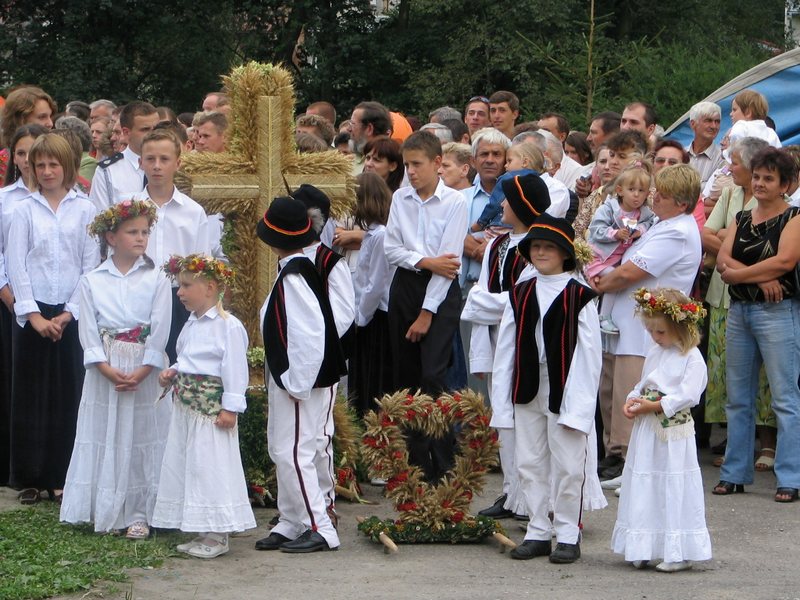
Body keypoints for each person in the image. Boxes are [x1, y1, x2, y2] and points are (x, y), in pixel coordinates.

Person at [492, 214, 602, 564]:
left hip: (565, 388)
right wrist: (501, 402)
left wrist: (579, 407)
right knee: (529, 461)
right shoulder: (520, 293)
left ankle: (568, 533)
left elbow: (589, 356)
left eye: (548, 247)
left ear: (565, 253)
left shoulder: (580, 296)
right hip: (528, 385)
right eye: (536, 246)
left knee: (569, 464)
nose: (540, 252)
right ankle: (538, 530)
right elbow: (506, 350)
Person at [60, 200, 171, 538]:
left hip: (143, 368)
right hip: (107, 368)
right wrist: (105, 368)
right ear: (111, 237)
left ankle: (141, 511)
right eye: (132, 232)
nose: (140, 238)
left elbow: (161, 325)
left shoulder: (157, 277)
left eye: (145, 232)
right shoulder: (92, 280)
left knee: (142, 435)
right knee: (107, 432)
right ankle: (107, 506)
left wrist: (145, 368)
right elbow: (88, 330)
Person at [593, 164, 703, 487]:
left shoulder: (678, 232)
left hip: (645, 331)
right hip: (620, 322)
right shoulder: (662, 223)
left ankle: (628, 463)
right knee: (610, 392)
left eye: (663, 195)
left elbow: (631, 272)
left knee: (628, 394)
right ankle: (615, 457)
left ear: (682, 203)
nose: (654, 198)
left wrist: (596, 284)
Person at [7, 134, 99, 504]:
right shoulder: (24, 210)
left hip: (70, 312)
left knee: (67, 393)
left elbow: (89, 264)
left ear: (68, 167)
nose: (46, 171)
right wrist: (32, 314)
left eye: (53, 164)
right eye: (40, 165)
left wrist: (68, 313)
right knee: (30, 393)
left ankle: (62, 475)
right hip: (33, 311)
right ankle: (29, 476)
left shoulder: (85, 209)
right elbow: (16, 264)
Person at [255, 197, 346, 553]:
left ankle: (320, 526)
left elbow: (310, 333)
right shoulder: (294, 269)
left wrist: (298, 381)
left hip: (298, 381)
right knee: (282, 449)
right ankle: (292, 519)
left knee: (295, 452)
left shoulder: (295, 274)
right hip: (290, 379)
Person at [152, 254, 255, 558]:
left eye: (186, 286)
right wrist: (173, 371)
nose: (180, 292)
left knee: (211, 467)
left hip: (211, 413)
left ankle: (218, 533)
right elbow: (187, 358)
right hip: (187, 410)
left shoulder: (228, 326)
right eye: (179, 286)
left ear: (210, 287)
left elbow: (235, 370)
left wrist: (230, 408)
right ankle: (202, 527)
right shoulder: (191, 324)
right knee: (192, 466)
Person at [462, 173, 550, 520]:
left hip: (525, 342)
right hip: (498, 340)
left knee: (525, 419)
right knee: (503, 417)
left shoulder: (539, 247)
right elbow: (482, 294)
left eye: (507, 199)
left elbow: (521, 301)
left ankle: (532, 497)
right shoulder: (497, 245)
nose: (500, 204)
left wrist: (489, 303)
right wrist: (482, 353)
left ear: (522, 206)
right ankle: (512, 492)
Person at [714, 148, 800, 503]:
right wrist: (758, 278)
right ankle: (734, 473)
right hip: (741, 312)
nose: (760, 183)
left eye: (769, 178)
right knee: (737, 398)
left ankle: (791, 477)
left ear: (785, 185)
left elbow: (785, 261)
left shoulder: (795, 217)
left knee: (785, 397)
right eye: (758, 177)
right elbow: (722, 258)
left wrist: (739, 275)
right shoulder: (742, 217)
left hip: (777, 312)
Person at [384, 130, 468, 482]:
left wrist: (426, 313)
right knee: (406, 376)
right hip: (407, 285)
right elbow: (392, 249)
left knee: (433, 374)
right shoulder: (400, 198)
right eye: (407, 165)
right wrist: (424, 261)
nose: (411, 172)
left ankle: (444, 460)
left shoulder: (455, 202)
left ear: (437, 163)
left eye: (417, 164)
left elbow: (449, 264)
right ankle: (416, 463)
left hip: (440, 293)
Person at [611, 288, 712, 572]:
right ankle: (644, 544)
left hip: (673, 434)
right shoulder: (656, 352)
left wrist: (656, 405)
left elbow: (688, 395)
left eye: (661, 332)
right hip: (648, 431)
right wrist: (633, 399)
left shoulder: (691, 357)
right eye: (650, 331)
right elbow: (644, 382)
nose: (655, 337)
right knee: (646, 482)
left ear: (681, 328)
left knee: (671, 483)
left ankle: (678, 551)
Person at [701, 137, 773, 466]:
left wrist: (729, 247)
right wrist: (742, 255)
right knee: (726, 370)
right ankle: (735, 439)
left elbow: (773, 251)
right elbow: (707, 234)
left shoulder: (771, 201)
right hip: (723, 292)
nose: (730, 168)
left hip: (757, 295)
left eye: (735, 163)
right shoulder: (729, 193)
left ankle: (767, 443)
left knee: (763, 375)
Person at [130, 129, 210, 363]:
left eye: (164, 159)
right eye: (150, 159)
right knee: (138, 362)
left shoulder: (193, 212)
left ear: (178, 163)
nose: (157, 166)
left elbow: (202, 264)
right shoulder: (129, 208)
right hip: (137, 295)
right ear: (140, 163)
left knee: (177, 363)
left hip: (179, 299)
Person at [0, 123, 49, 486]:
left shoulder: (68, 199)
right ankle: (11, 466)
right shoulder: (6, 199)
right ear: (13, 158)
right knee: (10, 381)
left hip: (47, 300)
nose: (29, 160)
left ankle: (48, 464)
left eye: (35, 153)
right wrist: (8, 292)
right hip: (8, 300)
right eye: (21, 153)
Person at [586, 162, 656, 333]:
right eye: (631, 189)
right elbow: (595, 230)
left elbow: (649, 223)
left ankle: (598, 314)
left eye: (641, 191)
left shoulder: (644, 213)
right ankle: (603, 316)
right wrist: (614, 234)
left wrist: (640, 230)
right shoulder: (608, 209)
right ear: (620, 190)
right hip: (599, 257)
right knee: (615, 280)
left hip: (618, 259)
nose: (636, 195)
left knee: (614, 281)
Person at [349, 172, 395, 418]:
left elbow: (375, 284)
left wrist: (360, 318)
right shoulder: (373, 235)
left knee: (374, 380)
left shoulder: (380, 236)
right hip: (368, 315)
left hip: (376, 317)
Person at [573, 130, 649, 239]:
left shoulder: (649, 197)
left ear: (638, 159)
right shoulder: (598, 194)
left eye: (621, 156)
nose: (613, 161)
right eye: (612, 155)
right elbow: (577, 232)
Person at [89, 101, 159, 210]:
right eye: (145, 129)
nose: (153, 134)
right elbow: (99, 216)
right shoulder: (108, 171)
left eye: (156, 128)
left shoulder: (172, 166)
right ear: (126, 132)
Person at [0, 86, 56, 180]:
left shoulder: (57, 156)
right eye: (42, 117)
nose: (50, 123)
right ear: (20, 121)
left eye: (50, 116)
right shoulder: (2, 163)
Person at [686, 101, 724, 189]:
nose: (714, 126)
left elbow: (717, 189)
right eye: (708, 121)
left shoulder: (722, 158)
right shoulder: (680, 154)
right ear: (693, 124)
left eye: (717, 122)